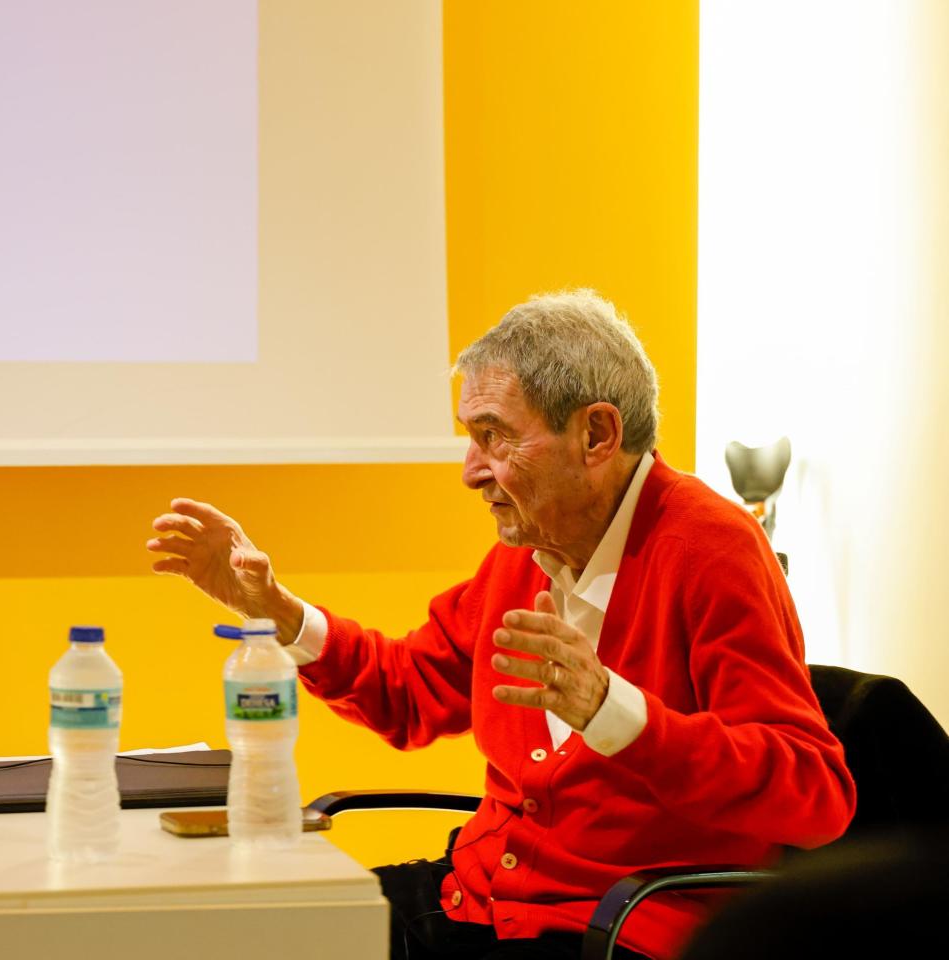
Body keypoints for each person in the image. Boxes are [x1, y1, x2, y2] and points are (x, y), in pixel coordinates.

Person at [147, 290, 854, 960]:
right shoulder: (526, 554)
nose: (470, 471)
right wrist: (276, 612)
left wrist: (614, 711)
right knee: (245, 932)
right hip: (473, 904)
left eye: (493, 437)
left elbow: (815, 796)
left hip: (615, 929)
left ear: (596, 434)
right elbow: (409, 691)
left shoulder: (710, 550)